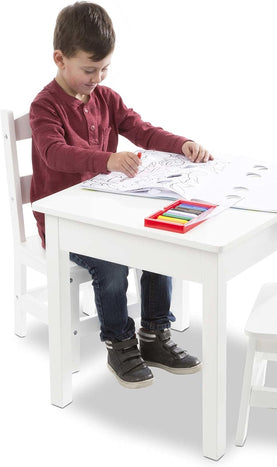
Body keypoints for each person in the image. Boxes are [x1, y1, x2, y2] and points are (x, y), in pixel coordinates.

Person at [30, 1, 211, 389]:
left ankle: (154, 336)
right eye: (89, 70)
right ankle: (119, 342)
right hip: (64, 222)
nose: (97, 77)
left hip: (106, 211)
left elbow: (142, 130)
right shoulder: (44, 106)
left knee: (159, 245)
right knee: (111, 265)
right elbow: (53, 152)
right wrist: (107, 159)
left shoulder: (107, 98)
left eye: (105, 68)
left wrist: (183, 144)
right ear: (60, 59)